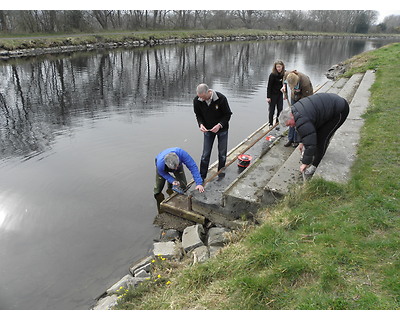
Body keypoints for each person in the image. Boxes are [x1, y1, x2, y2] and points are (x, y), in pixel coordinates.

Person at [279, 93, 349, 175]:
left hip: (339, 110)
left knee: (322, 138)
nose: (291, 126)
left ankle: (315, 165)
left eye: (289, 124)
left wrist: (305, 163)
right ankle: (316, 155)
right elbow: (303, 131)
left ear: (291, 116)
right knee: (315, 135)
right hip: (328, 106)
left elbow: (310, 142)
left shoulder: (302, 118)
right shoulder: (295, 111)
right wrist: (301, 142)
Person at [193, 83, 233, 180]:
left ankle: (221, 174)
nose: (201, 99)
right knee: (205, 155)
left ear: (208, 92)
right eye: (200, 97)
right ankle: (202, 177)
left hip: (222, 129)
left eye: (203, 97)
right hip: (208, 130)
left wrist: (219, 125)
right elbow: (198, 115)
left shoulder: (221, 98)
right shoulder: (197, 100)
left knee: (222, 154)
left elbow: (228, 114)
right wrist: (200, 124)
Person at [154, 147, 204, 213]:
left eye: (176, 166)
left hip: (176, 163)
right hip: (163, 168)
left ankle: (170, 189)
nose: (176, 169)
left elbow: (193, 167)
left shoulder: (182, 154)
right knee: (158, 187)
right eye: (174, 168)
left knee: (183, 185)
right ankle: (158, 201)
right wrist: (172, 180)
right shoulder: (160, 164)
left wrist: (199, 183)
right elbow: (163, 173)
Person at [281, 70, 313, 147]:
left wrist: (300, 108)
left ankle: (296, 140)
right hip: (293, 97)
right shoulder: (287, 75)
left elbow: (307, 98)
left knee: (298, 119)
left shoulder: (305, 82)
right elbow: (284, 82)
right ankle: (290, 139)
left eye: (293, 86)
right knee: (291, 117)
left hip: (303, 97)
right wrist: (285, 93)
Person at [266, 60, 287, 128]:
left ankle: (277, 123)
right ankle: (270, 123)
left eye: (279, 67)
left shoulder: (284, 74)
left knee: (280, 109)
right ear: (275, 67)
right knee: (272, 110)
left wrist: (285, 94)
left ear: (282, 67)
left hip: (280, 94)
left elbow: (285, 85)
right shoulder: (272, 75)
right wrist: (268, 97)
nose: (278, 68)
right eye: (277, 67)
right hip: (272, 95)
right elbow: (269, 86)